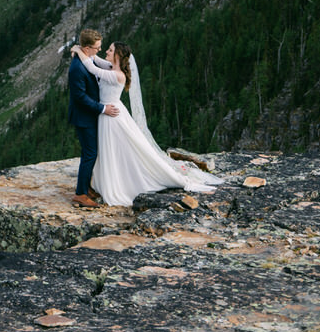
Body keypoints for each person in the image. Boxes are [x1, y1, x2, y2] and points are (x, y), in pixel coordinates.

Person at [71, 40, 223, 207]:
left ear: (117, 56)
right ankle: (104, 182)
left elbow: (92, 67)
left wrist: (79, 51)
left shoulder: (117, 75)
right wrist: (81, 49)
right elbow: (95, 60)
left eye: (110, 50)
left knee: (116, 150)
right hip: (107, 113)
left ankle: (118, 182)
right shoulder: (110, 67)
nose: (105, 51)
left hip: (111, 115)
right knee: (109, 151)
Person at [67, 28, 120, 209]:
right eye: (97, 47)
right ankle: (80, 194)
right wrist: (103, 108)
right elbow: (80, 98)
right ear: (87, 47)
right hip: (84, 117)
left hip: (89, 116)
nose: (99, 50)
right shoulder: (77, 68)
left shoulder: (87, 59)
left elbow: (98, 64)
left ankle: (86, 188)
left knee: (91, 153)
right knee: (89, 154)